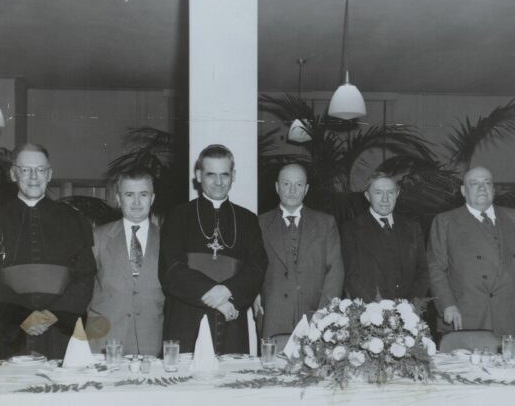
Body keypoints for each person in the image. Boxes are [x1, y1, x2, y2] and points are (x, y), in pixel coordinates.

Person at [159, 144, 268, 354]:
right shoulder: (178, 216)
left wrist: (228, 291)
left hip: (232, 322)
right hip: (187, 318)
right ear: (199, 175)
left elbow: (257, 266)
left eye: (224, 174)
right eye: (211, 175)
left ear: (233, 175)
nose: (218, 182)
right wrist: (217, 297)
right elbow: (171, 269)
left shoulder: (247, 220)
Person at [0, 144, 96, 359]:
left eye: (40, 170)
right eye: (25, 170)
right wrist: (22, 316)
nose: (33, 176)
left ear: (49, 174)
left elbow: (85, 277)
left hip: (60, 331)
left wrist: (50, 315)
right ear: (13, 174)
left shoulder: (73, 219)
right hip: (9, 331)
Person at [427, 166, 515, 338]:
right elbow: (435, 268)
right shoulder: (446, 221)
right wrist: (447, 305)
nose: (482, 188)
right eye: (474, 183)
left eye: (487, 183)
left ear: (494, 190)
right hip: (469, 315)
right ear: (463, 191)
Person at [258, 164, 343, 338]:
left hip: (315, 317)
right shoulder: (260, 224)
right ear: (277, 187)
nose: (292, 190)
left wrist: (324, 313)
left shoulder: (325, 223)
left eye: (298, 185)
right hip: (273, 317)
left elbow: (335, 271)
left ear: (306, 189)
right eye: (286, 184)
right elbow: (252, 266)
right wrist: (254, 296)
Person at [87, 168, 164, 356]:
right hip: (104, 340)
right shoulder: (97, 238)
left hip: (152, 341)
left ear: (152, 198)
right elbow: (81, 287)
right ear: (119, 199)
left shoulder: (168, 240)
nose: (137, 202)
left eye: (143, 194)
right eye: (129, 195)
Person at [341, 172, 428, 302]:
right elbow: (351, 277)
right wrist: (376, 311)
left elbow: (422, 272)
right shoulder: (351, 229)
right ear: (367, 196)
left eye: (390, 192)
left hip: (409, 313)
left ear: (397, 194)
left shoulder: (413, 228)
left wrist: (409, 307)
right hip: (370, 313)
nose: (385, 199)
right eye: (378, 192)